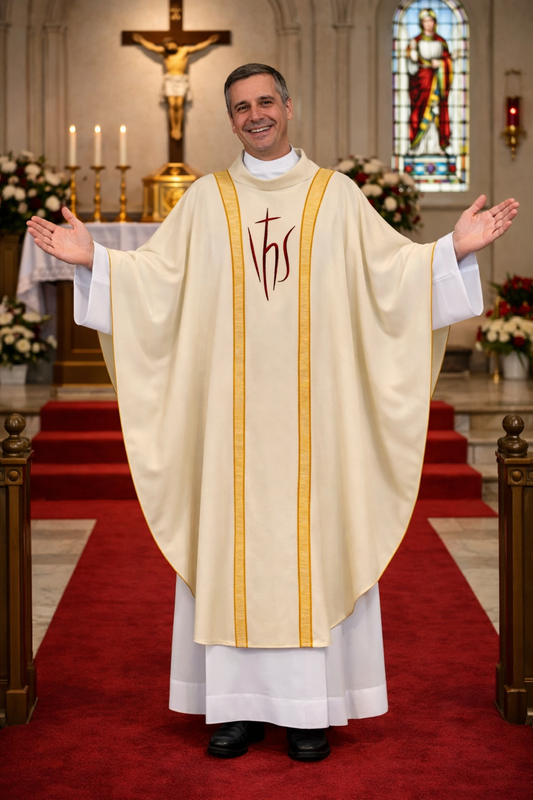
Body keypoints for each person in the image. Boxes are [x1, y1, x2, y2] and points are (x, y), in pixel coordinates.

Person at [27, 63, 518, 763]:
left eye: (264, 102)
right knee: (230, 550)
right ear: (229, 120)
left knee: (309, 548)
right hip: (228, 429)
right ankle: (232, 710)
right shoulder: (205, 200)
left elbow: (389, 275)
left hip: (313, 427)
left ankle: (308, 711)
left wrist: (448, 253)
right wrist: (96, 263)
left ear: (288, 107)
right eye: (240, 107)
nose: (254, 114)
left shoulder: (336, 196)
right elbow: (157, 281)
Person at [131, 32, 219, 140]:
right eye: (167, 46)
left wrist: (209, 41)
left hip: (181, 79)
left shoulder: (184, 51)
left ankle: (178, 127)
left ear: (175, 43)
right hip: (170, 80)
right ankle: (173, 128)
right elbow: (152, 48)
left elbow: (197, 47)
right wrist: (141, 41)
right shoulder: (165, 53)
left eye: (170, 44)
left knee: (180, 104)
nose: (169, 47)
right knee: (172, 105)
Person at [407, 8, 453, 154]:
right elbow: (411, 67)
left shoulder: (441, 42)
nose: (428, 24)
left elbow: (448, 62)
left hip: (437, 82)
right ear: (421, 23)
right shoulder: (415, 42)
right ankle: (419, 146)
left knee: (436, 111)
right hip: (421, 83)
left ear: (434, 22)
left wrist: (440, 64)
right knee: (420, 113)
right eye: (425, 21)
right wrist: (413, 60)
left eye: (430, 21)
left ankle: (437, 146)